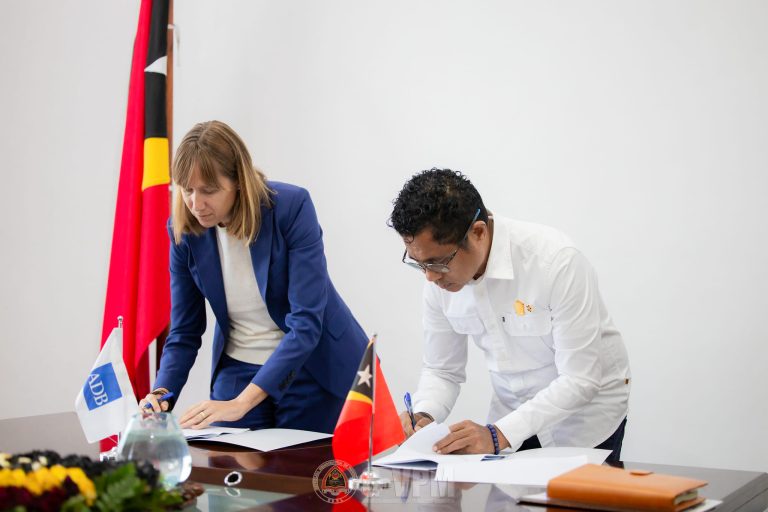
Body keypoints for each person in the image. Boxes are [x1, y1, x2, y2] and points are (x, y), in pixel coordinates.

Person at [139, 120, 367, 433]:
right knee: (226, 461)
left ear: (238, 180)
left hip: (312, 365)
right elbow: (184, 331)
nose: (195, 204)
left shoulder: (292, 207)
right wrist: (161, 394)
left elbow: (306, 323)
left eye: (208, 191)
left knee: (304, 464)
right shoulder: (183, 231)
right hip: (238, 367)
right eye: (187, 190)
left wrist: (241, 404)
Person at [390, 168, 631, 462]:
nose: (429, 277)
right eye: (419, 263)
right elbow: (442, 370)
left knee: (575, 493)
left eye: (437, 263)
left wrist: (497, 435)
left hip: (584, 419)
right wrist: (424, 413)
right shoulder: (437, 278)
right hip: (510, 415)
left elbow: (579, 379)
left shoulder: (556, 261)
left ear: (478, 233)